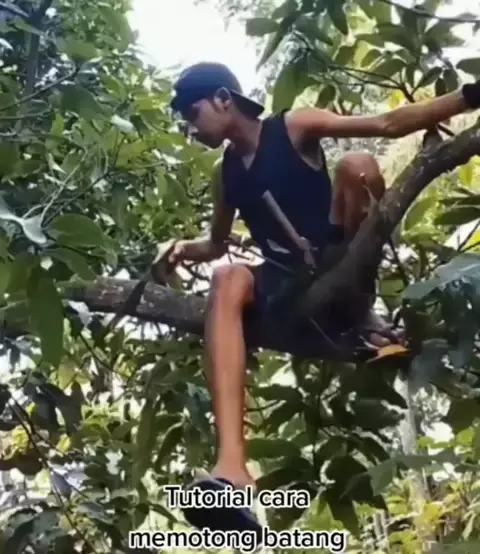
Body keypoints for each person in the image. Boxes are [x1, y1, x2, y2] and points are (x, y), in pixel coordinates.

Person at [162, 61, 480, 535]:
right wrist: (180, 249)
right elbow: (216, 244)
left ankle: (361, 308)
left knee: (358, 166)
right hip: (285, 282)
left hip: (338, 257)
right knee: (226, 279)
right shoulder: (226, 173)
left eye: (193, 113)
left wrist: (469, 97)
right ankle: (231, 468)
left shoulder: (293, 126)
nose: (191, 128)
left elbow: (386, 124)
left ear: (224, 99)